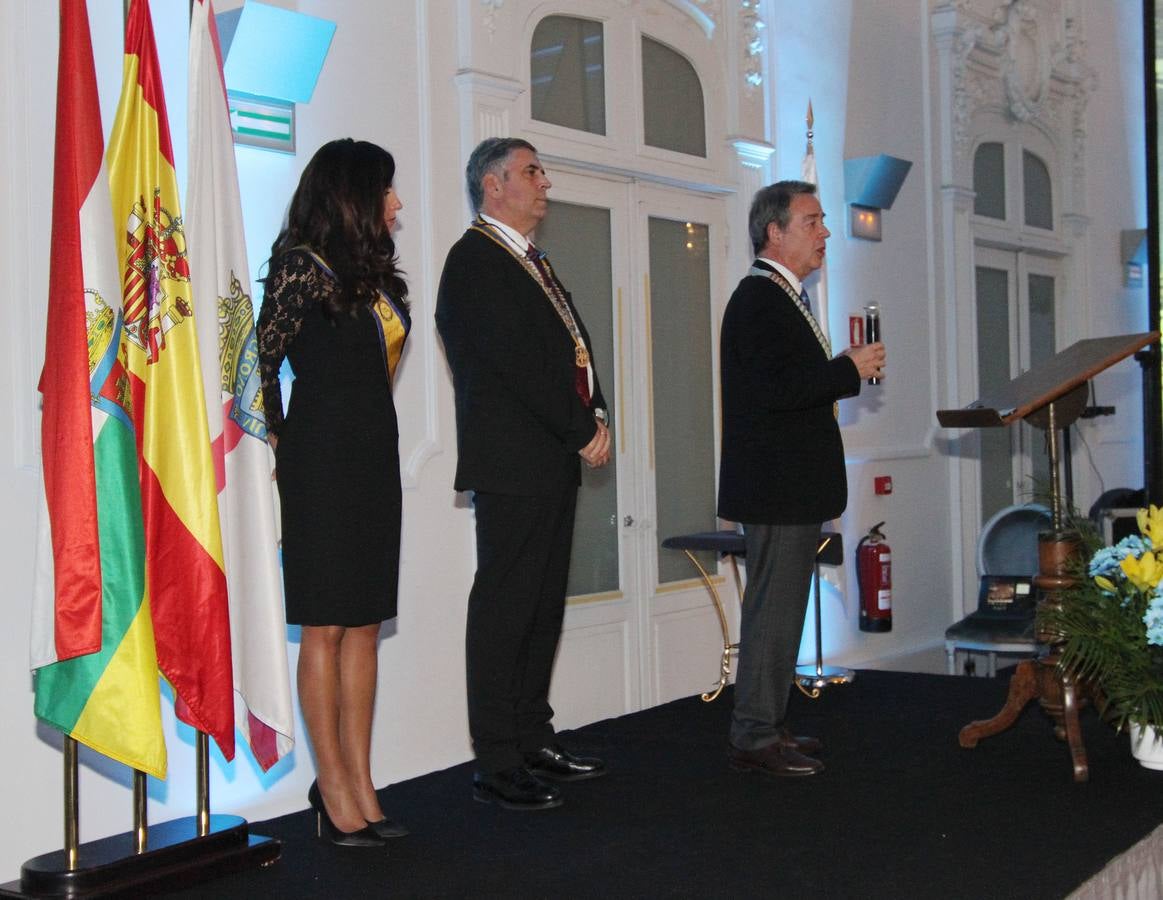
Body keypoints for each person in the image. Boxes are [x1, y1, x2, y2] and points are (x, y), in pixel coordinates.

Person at [436, 137, 612, 811]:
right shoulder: (474, 260)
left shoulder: (528, 260)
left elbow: (569, 350)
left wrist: (598, 414)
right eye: (532, 172)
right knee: (506, 607)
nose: (546, 183)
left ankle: (534, 737)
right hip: (513, 462)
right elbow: (513, 366)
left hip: (550, 456)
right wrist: (579, 428)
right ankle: (497, 759)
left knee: (541, 606)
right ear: (492, 184)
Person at [258, 138, 411, 846]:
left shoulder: (374, 279)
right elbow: (256, 365)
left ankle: (358, 778)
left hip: (374, 463)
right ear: (352, 195)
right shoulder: (298, 270)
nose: (396, 204)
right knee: (325, 626)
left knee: (365, 626)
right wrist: (285, 440)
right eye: (385, 191)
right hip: (320, 467)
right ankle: (335, 788)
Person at [718, 180, 885, 778]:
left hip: (786, 482)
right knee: (773, 609)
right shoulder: (760, 299)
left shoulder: (785, 297)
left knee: (785, 610)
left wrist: (839, 370)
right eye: (812, 221)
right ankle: (754, 734)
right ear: (775, 232)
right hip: (776, 484)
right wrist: (847, 368)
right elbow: (775, 393)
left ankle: (769, 721)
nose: (825, 233)